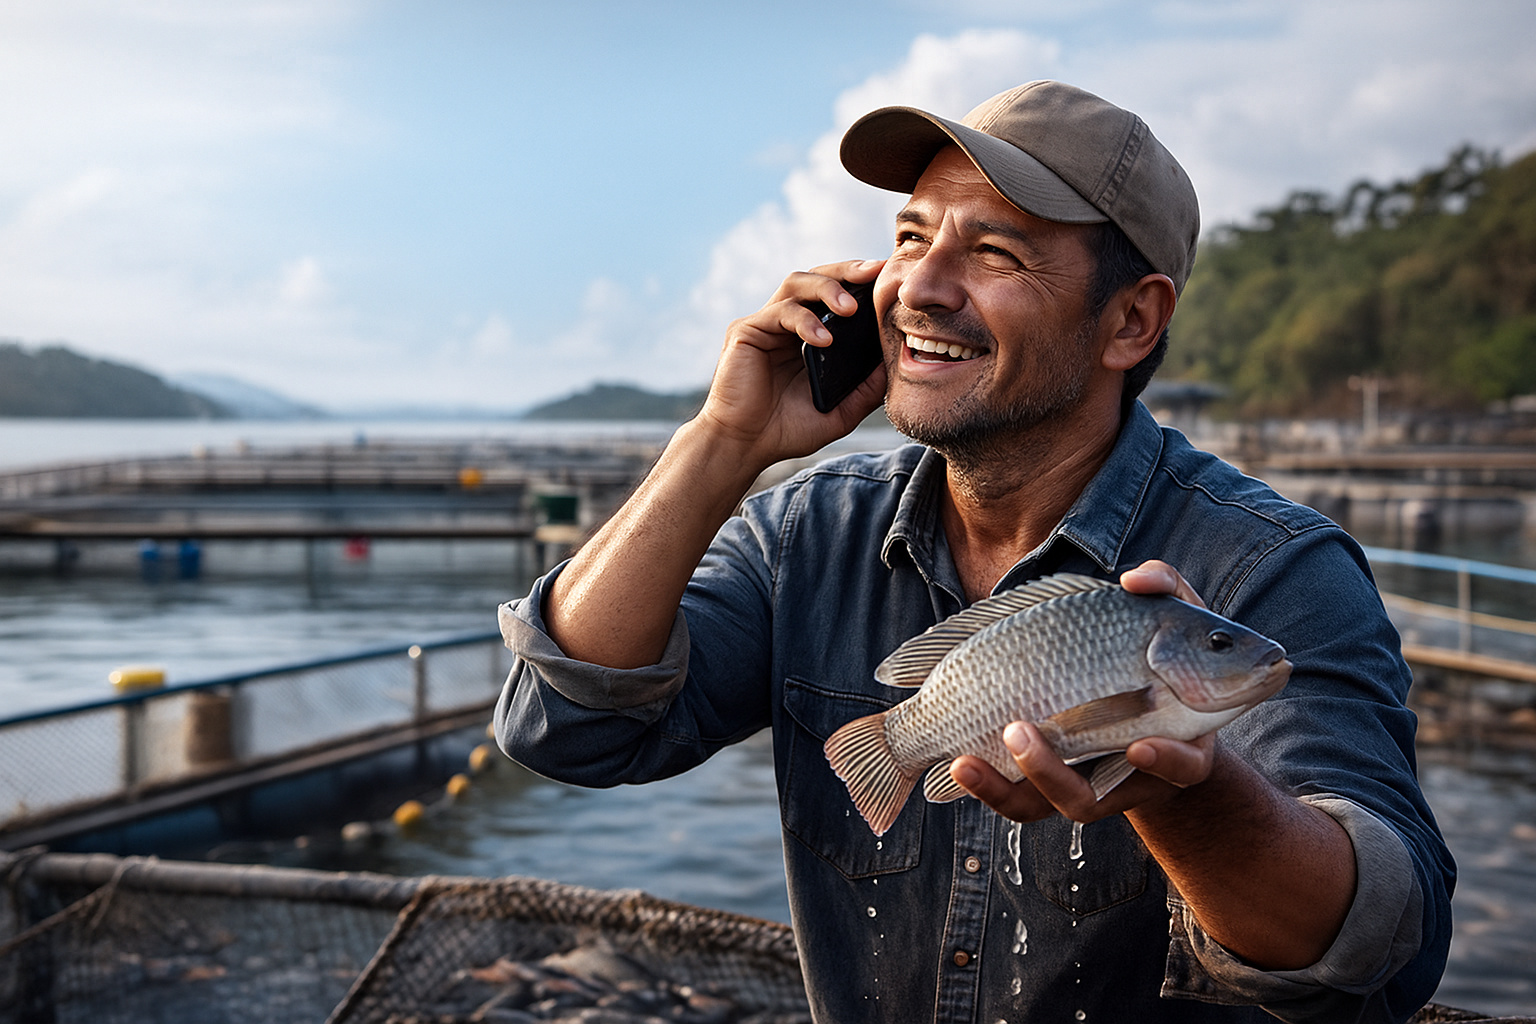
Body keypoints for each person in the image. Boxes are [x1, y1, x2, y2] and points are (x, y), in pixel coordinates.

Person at [495, 80, 1453, 1022]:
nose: (919, 286)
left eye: (994, 253)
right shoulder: (807, 533)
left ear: (1132, 321)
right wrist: (722, 444)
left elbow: (1381, 951)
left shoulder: (1273, 570)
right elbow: (566, 726)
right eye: (911, 238)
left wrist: (1185, 794)